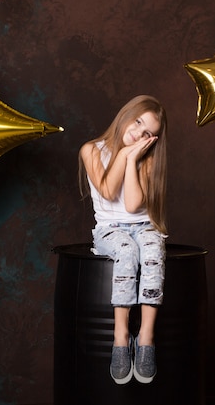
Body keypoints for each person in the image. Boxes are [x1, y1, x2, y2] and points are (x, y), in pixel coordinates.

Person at [78, 95, 168, 384]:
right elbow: (106, 189)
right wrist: (123, 154)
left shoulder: (148, 160)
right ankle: (120, 337)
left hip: (144, 226)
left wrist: (133, 159)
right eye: (138, 121)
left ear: (151, 140)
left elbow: (132, 205)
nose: (138, 132)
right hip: (109, 230)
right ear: (127, 114)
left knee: (153, 248)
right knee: (127, 250)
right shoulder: (91, 150)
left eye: (146, 133)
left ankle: (146, 337)